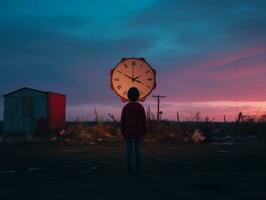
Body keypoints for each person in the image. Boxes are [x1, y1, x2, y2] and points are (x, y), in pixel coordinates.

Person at [121, 87, 147, 174]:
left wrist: (123, 132)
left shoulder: (126, 107)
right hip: (138, 132)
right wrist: (144, 131)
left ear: (128, 96)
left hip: (128, 132)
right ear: (138, 96)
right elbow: (144, 120)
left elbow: (123, 121)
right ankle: (138, 168)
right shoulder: (140, 107)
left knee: (128, 150)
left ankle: (129, 167)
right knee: (138, 150)